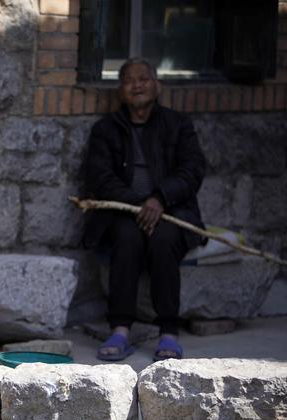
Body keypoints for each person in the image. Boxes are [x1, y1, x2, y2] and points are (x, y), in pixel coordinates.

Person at [83, 58, 206, 362]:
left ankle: (168, 332)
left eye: (144, 78)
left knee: (164, 239)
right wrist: (139, 205)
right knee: (127, 239)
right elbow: (100, 177)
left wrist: (160, 199)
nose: (136, 85)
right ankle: (121, 330)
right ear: (120, 91)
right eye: (128, 80)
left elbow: (192, 170)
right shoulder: (105, 130)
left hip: (171, 210)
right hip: (125, 211)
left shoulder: (178, 125)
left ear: (157, 85)